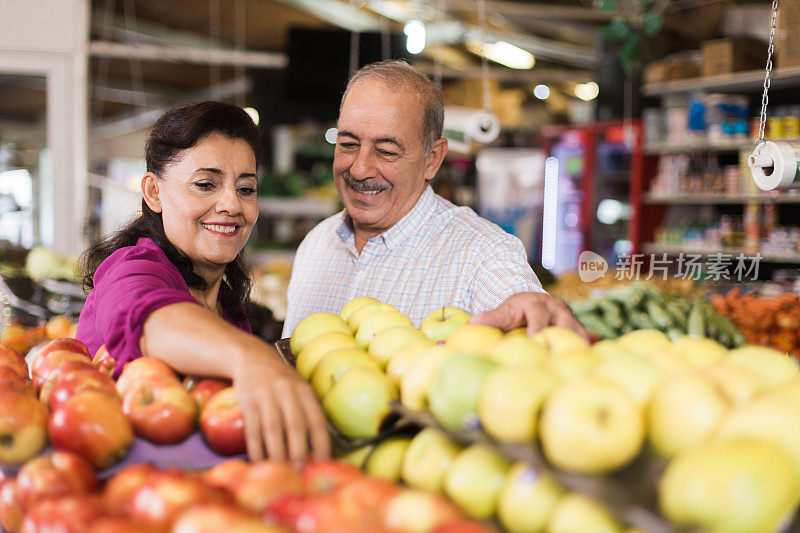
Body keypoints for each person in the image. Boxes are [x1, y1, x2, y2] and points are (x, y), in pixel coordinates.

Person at [78, 101, 329, 466]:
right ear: (154, 192)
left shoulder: (227, 306)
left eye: (246, 189)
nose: (231, 204)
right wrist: (252, 357)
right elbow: (149, 318)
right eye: (205, 184)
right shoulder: (133, 268)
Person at [283, 60, 586, 339]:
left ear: (433, 159)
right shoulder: (316, 244)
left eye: (386, 151)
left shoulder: (482, 254)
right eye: (348, 144)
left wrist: (543, 310)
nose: (360, 169)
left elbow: (527, 310)